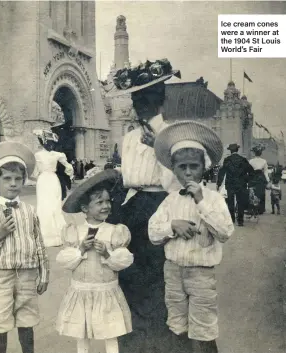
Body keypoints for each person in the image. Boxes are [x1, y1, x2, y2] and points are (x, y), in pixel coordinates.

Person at [106, 58, 181, 353]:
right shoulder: (128, 137)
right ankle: (134, 339)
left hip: (161, 204)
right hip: (132, 204)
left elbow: (176, 183)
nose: (142, 106)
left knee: (156, 274)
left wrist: (158, 148)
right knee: (127, 271)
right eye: (138, 99)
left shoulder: (172, 133)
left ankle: (159, 339)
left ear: (160, 100)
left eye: (148, 99)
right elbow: (125, 177)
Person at [149, 121, 234, 353]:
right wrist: (172, 226)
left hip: (201, 273)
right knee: (177, 323)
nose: (188, 172)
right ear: (174, 169)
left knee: (203, 327)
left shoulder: (214, 199)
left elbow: (225, 232)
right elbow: (153, 233)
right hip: (173, 270)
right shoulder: (170, 200)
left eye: (194, 166)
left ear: (203, 168)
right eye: (182, 167)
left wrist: (201, 202)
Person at [0, 141, 49, 353]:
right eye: (7, 179)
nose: (13, 184)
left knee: (27, 320)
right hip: (0, 277)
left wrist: (44, 274)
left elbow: (39, 244)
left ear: (23, 181)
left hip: (27, 274)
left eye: (18, 179)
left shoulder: (30, 211)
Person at [56, 169, 133, 353]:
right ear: (85, 209)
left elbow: (124, 260)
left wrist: (107, 254)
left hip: (105, 291)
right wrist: (80, 249)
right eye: (99, 202)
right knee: (81, 334)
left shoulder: (115, 231)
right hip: (81, 290)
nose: (106, 206)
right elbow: (65, 261)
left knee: (110, 333)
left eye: (108, 201)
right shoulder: (75, 231)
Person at [33, 129, 73, 247]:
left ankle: (48, 235)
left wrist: (37, 175)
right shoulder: (57, 155)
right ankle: (56, 234)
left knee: (47, 205)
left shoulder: (38, 155)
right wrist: (70, 174)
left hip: (44, 180)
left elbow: (35, 172)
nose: (50, 145)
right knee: (51, 205)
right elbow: (69, 167)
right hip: (52, 179)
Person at [216, 143, 254, 227]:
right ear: (237, 150)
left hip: (230, 184)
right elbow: (251, 171)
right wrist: (246, 179)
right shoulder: (243, 160)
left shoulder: (227, 160)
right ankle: (240, 221)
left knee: (230, 202)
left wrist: (218, 183)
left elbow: (222, 172)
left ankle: (232, 220)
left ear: (230, 151)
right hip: (241, 184)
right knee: (240, 202)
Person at [249, 144, 270, 214]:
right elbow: (266, 172)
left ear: (254, 153)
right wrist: (267, 180)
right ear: (260, 153)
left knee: (253, 192)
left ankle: (254, 208)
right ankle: (261, 209)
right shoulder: (264, 161)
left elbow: (248, 171)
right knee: (261, 193)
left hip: (253, 177)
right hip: (261, 177)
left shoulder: (251, 161)